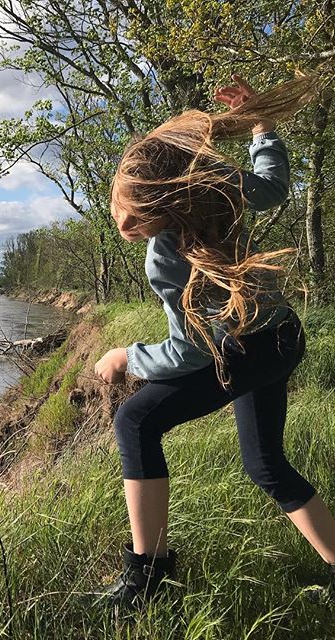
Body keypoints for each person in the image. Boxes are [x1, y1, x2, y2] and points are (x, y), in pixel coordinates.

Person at [94, 74, 335, 608]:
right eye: (120, 205)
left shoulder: (167, 255)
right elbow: (274, 186)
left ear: (172, 201)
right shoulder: (218, 189)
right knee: (265, 463)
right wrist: (261, 127)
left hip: (250, 347)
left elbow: (189, 352)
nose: (124, 223)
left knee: (135, 420)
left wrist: (125, 355)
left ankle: (148, 576)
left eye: (139, 212)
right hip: (281, 335)